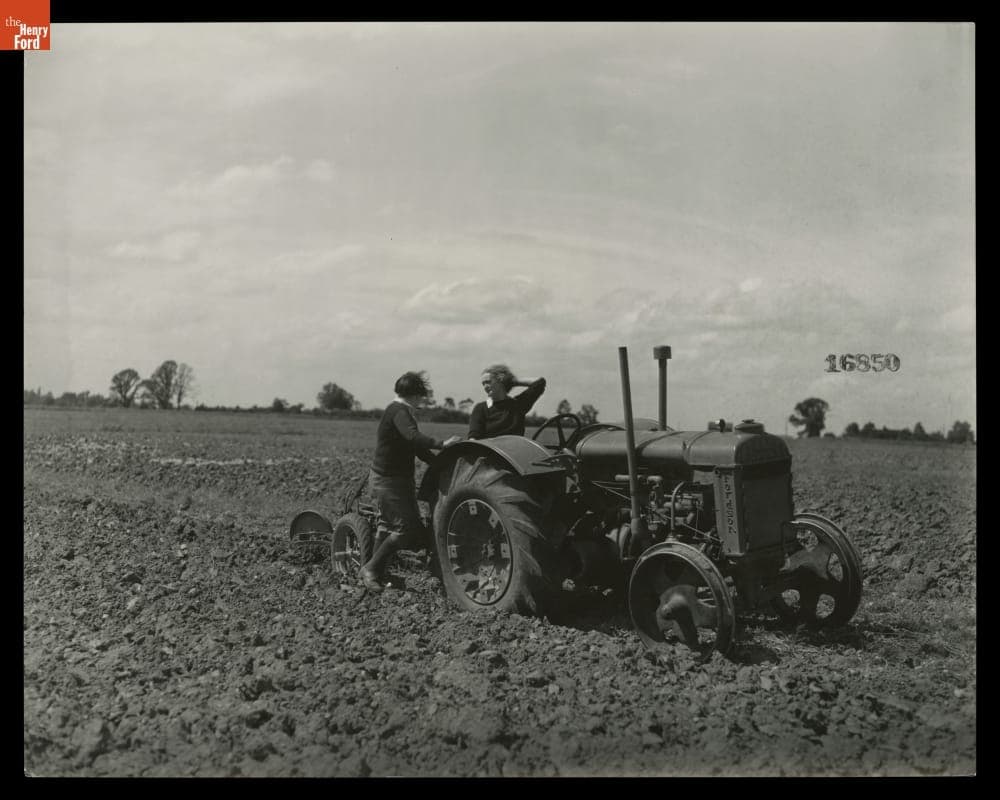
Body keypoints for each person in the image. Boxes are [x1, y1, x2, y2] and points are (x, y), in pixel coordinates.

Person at [360, 371, 461, 592]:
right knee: (405, 529)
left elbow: (415, 447)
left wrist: (439, 464)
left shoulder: (400, 411)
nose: (422, 400)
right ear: (416, 394)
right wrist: (442, 444)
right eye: (421, 396)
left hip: (395, 479)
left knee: (387, 526)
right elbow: (414, 437)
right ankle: (370, 569)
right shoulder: (398, 411)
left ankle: (378, 572)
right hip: (388, 481)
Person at [468, 364, 546, 439]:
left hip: (512, 451)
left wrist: (512, 381)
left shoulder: (518, 404)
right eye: (483, 384)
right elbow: (474, 436)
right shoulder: (481, 408)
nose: (485, 387)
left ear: (501, 379)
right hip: (490, 451)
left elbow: (540, 383)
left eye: (488, 382)